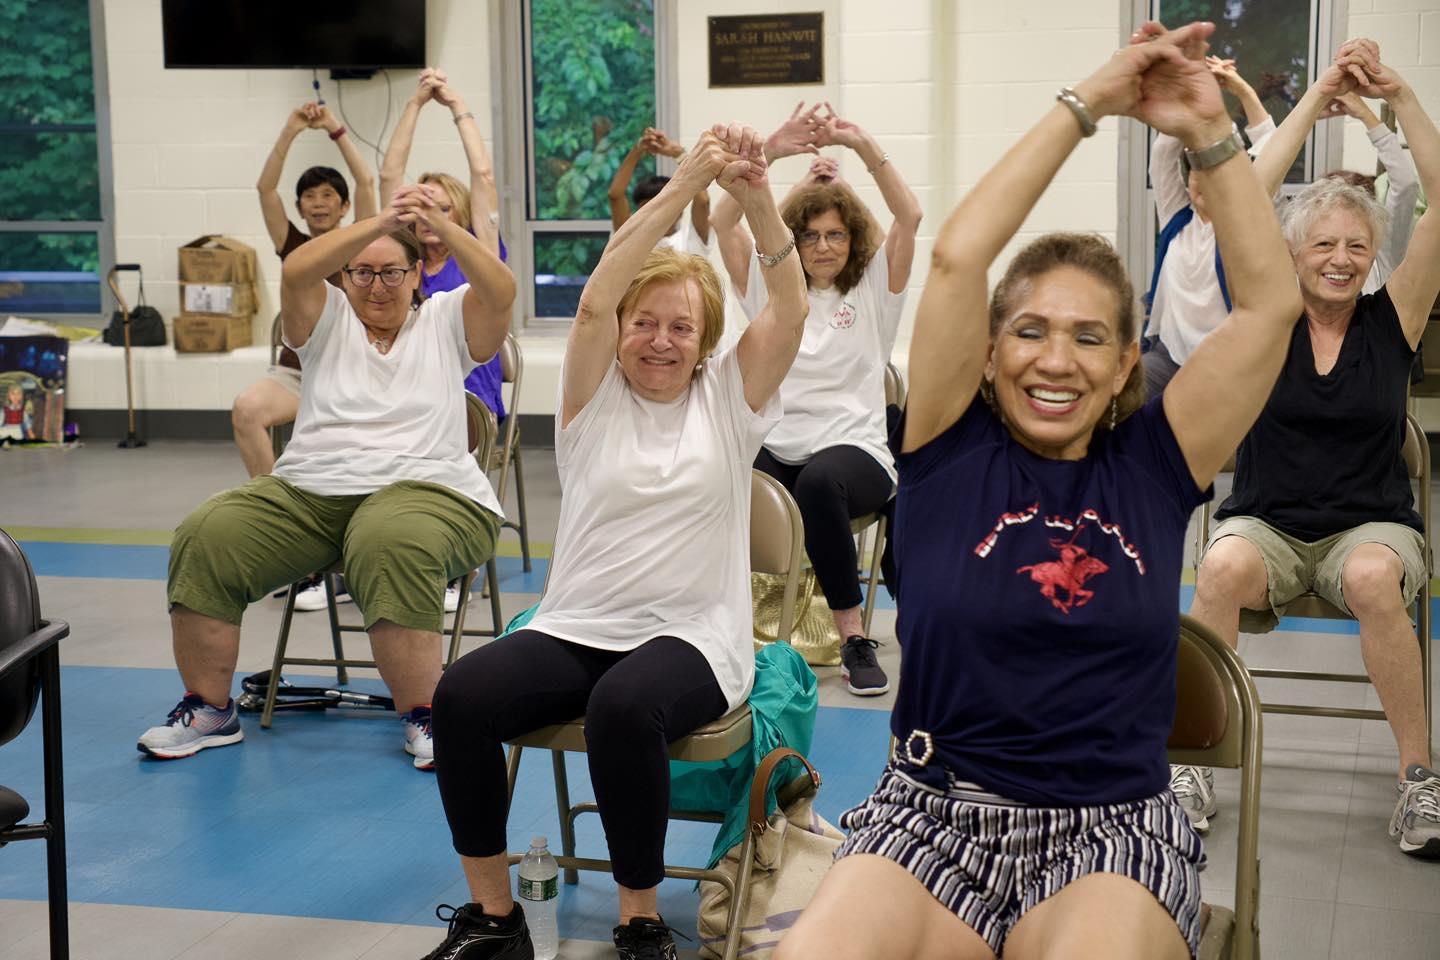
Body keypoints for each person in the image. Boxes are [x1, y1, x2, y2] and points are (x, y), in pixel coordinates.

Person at [778, 21, 1304, 960]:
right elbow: (954, 259)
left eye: (1089, 337)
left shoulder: (1155, 461)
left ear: (1125, 365)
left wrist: (1210, 134)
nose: (1054, 360)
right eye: (1028, 330)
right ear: (987, 351)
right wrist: (1087, 106)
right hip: (931, 819)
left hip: (1111, 834)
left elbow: (1269, 305)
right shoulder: (944, 444)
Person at [419, 124, 805, 960]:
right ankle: (493, 921)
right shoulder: (591, 399)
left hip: (693, 634)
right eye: (646, 323)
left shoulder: (728, 400)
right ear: (623, 326)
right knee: (460, 698)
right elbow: (595, 296)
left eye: (681, 328)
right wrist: (682, 186)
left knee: (623, 708)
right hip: (580, 623)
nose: (660, 340)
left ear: (706, 344)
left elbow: (791, 308)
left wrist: (757, 202)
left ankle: (639, 923)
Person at [136, 182, 515, 773]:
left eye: (393, 273)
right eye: (361, 273)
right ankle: (209, 710)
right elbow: (296, 268)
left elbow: (500, 288)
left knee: (388, 536)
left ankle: (425, 714)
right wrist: (380, 222)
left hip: (430, 491)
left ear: (418, 275)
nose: (377, 286)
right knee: (207, 532)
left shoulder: (445, 320)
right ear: (344, 276)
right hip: (311, 492)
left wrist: (438, 218)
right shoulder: (327, 318)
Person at [1185, 40, 1440, 857]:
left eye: (1355, 247)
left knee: (1372, 577)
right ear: (1291, 254)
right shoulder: (1266, 318)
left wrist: (1397, 96)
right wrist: (1320, 92)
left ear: (1373, 259)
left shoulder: (1392, 318)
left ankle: (1418, 780)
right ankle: (1189, 760)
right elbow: (1240, 196)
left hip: (1371, 524)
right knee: (1218, 565)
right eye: (1322, 246)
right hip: (1268, 526)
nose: (1339, 259)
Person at [711, 102, 922, 696]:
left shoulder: (875, 288)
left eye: (836, 235)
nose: (824, 247)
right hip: (779, 443)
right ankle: (712, 623)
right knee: (719, 469)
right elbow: (726, 225)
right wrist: (773, 154)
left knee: (818, 484)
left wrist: (858, 143)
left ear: (852, 241)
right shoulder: (770, 289)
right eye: (810, 235)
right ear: (793, 241)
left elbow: (910, 214)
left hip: (855, 450)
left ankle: (854, 637)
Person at [382, 67, 508, 613]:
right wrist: (413, 103)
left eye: (442, 208)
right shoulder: (402, 266)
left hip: (469, 402)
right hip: (410, 394)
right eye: (421, 207)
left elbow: (482, 175)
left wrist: (455, 104)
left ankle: (453, 561)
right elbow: (390, 176)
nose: (429, 217)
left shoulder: (477, 258)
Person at [235, 101, 378, 479]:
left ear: (344, 205)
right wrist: (291, 129)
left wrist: (335, 128)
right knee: (246, 409)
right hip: (297, 374)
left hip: (351, 375)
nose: (318, 203)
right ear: (299, 207)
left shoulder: (357, 243)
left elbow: (366, 182)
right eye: (310, 196)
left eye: (328, 195)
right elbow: (265, 189)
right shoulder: (292, 243)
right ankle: (271, 501)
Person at [1141, 55, 1277, 395]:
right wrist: (1191, 95)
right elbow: (1161, 157)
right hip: (1168, 358)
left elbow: (1273, 150)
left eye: (1213, 171)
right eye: (1195, 170)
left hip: (1224, 364)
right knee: (1127, 395)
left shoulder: (1243, 224)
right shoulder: (1177, 217)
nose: (1201, 180)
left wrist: (1241, 90)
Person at [1320, 91, 1420, 294]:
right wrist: (1307, 114)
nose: (1341, 259)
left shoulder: (1381, 256)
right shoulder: (1306, 253)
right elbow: (1268, 192)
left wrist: (1366, 115)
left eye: (1355, 245)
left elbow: (1406, 185)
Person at [608, 126, 712, 254]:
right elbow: (615, 195)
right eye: (647, 208)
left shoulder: (689, 239)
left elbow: (703, 200)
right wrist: (638, 149)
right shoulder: (630, 239)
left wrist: (678, 153)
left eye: (662, 207)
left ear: (679, 211)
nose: (654, 215)